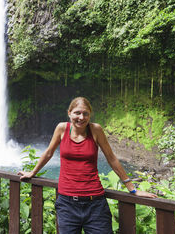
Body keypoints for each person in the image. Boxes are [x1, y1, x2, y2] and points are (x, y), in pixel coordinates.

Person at [18, 97, 157, 233]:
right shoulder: (62, 128)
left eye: (85, 113)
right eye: (77, 113)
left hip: (95, 203)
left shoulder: (96, 130)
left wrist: (132, 189)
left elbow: (111, 158)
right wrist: (32, 173)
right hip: (67, 203)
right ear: (69, 113)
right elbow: (48, 153)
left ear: (90, 115)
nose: (81, 117)